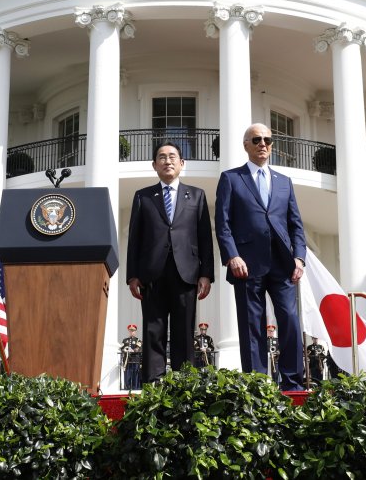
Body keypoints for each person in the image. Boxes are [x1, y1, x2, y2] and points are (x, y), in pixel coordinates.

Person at [215, 123, 307, 391]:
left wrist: (299, 258)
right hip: (246, 264)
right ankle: (257, 385)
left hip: (283, 264)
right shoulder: (231, 178)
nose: (263, 144)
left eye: (267, 139)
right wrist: (232, 256)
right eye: (256, 140)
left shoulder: (284, 182)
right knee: (251, 326)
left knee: (289, 321)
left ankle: (292, 383)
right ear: (246, 145)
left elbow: (296, 224)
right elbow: (222, 223)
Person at [127, 141, 214, 382]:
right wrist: (132, 275)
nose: (168, 161)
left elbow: (205, 238)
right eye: (162, 157)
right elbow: (134, 239)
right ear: (154, 165)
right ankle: (154, 384)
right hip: (151, 274)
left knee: (183, 331)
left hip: (186, 272)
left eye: (173, 156)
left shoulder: (196, 195)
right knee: (152, 330)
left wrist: (206, 274)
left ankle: (183, 382)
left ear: (182, 163)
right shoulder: (143, 196)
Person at [120, 324, 143, 390]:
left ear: (135, 331)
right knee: (127, 375)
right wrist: (124, 349)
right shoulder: (125, 340)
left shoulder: (138, 340)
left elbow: (138, 349)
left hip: (135, 361)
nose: (131, 332)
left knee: (135, 375)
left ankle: (135, 388)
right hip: (127, 361)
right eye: (130, 331)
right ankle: (127, 388)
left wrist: (132, 350)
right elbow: (122, 348)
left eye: (133, 331)